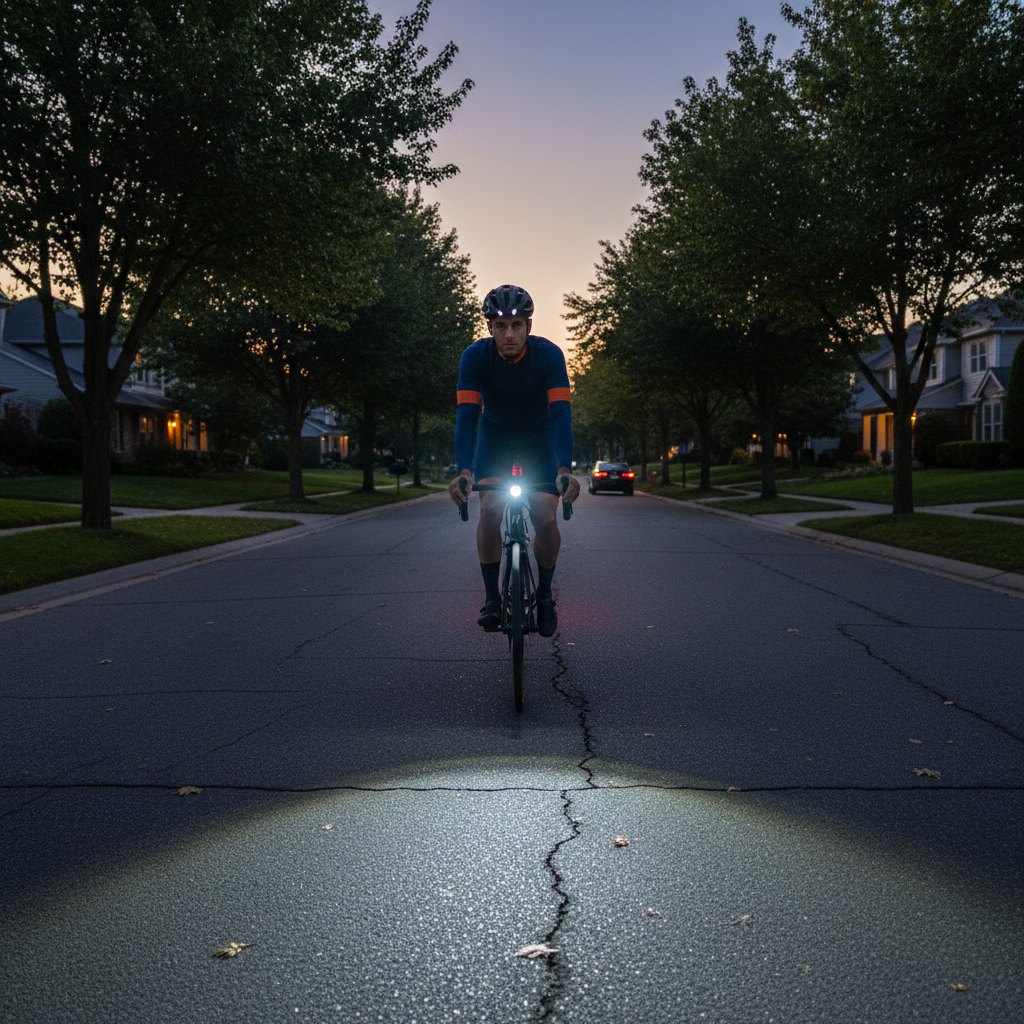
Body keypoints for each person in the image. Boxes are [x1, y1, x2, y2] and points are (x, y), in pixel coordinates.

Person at [448, 285, 580, 637]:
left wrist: (564, 468)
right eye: (501, 326)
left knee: (545, 519)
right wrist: (464, 469)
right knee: (490, 508)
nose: (510, 334)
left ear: (528, 326)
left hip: (541, 438)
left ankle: (545, 595)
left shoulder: (548, 356)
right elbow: (466, 416)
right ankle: (492, 599)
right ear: (489, 327)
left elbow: (561, 414)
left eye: (517, 325)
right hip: (496, 437)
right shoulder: (475, 358)